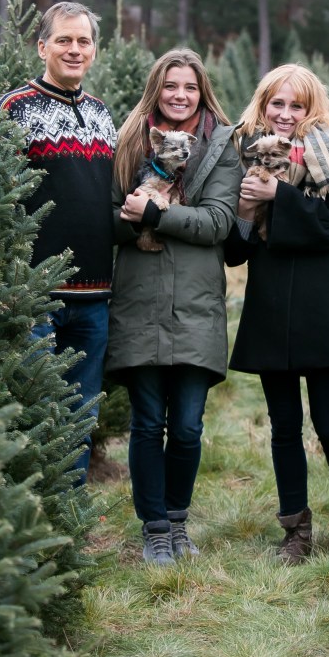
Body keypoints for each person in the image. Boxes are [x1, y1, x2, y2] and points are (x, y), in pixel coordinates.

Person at [225, 64, 329, 564]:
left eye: (296, 105)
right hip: (272, 311)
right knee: (284, 425)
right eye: (277, 104)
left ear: (312, 109)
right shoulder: (249, 157)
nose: (285, 114)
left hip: (324, 312)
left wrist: (279, 196)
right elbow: (235, 253)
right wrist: (246, 211)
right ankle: (295, 532)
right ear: (263, 106)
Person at [105, 49, 240, 565]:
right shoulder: (128, 141)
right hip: (139, 300)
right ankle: (155, 529)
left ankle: (178, 520)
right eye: (170, 86)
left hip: (196, 304)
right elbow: (109, 219)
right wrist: (130, 216)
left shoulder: (221, 146)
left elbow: (217, 223)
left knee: (186, 425)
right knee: (146, 422)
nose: (179, 95)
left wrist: (155, 214)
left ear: (202, 92)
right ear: (155, 90)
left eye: (189, 87)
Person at [0, 1, 116, 483]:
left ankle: (71, 513)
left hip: (95, 296)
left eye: (83, 41)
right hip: (36, 295)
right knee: (34, 413)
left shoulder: (102, 113)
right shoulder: (14, 107)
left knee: (81, 415)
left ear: (94, 50)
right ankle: (28, 512)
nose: (74, 49)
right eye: (63, 40)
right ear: (42, 46)